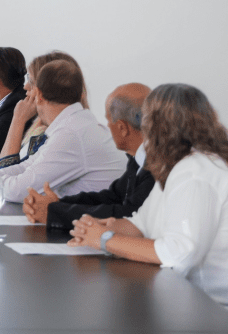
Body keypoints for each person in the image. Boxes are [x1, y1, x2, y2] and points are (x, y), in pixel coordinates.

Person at [69, 84, 228, 307]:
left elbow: (178, 254)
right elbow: (141, 223)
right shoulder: (178, 166)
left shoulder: (195, 172)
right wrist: (97, 228)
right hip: (188, 303)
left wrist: (105, 240)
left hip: (211, 311)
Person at [0, 60, 123, 202]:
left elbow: (22, 190)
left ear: (39, 94)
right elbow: (27, 166)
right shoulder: (72, 124)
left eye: (31, 83)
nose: (26, 87)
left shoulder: (72, 133)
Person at [24, 83, 155, 229]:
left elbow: (128, 214)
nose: (107, 126)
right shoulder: (139, 159)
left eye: (108, 120)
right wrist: (59, 204)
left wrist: (55, 212)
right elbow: (111, 197)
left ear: (122, 128)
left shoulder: (157, 166)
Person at [0, 51, 89, 171]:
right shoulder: (39, 124)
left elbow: (7, 171)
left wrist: (18, 120)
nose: (25, 86)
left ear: (48, 89)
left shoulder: (59, 135)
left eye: (31, 81)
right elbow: (14, 169)